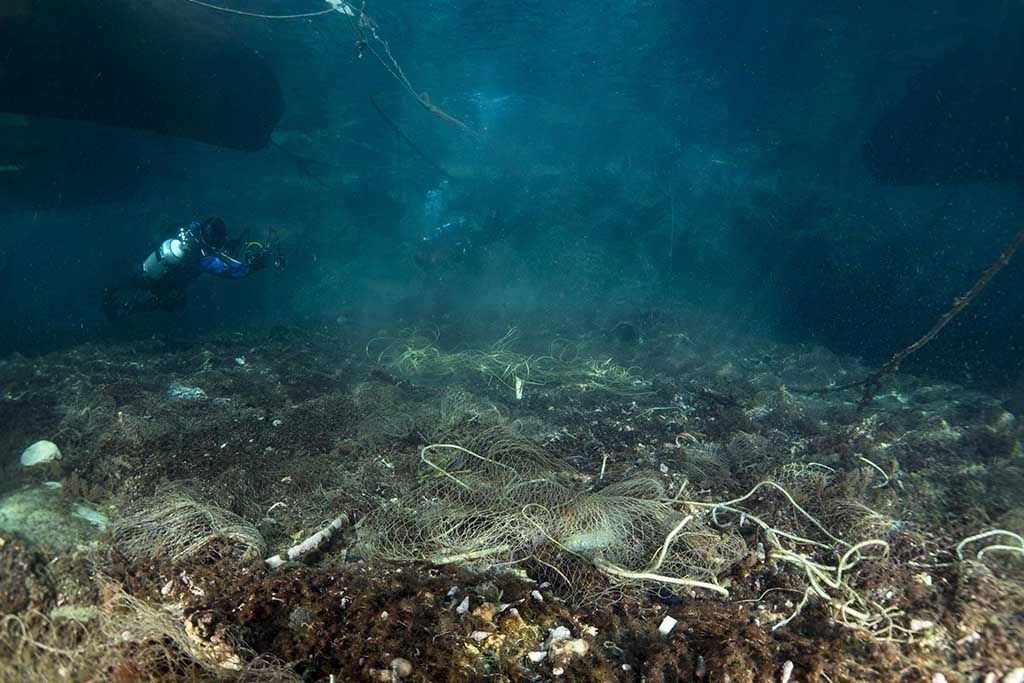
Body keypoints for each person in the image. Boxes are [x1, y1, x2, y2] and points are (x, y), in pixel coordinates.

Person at [102, 217, 271, 322]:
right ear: (213, 238)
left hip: (151, 267)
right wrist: (253, 267)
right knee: (174, 303)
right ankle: (128, 309)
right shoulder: (202, 258)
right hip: (166, 283)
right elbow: (231, 271)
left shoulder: (190, 229)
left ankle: (110, 291)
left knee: (134, 281)